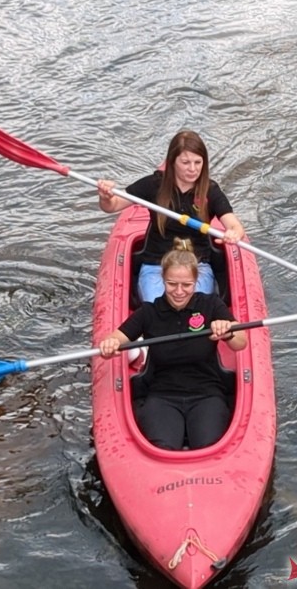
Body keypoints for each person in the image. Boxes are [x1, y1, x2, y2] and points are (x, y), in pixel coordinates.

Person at [97, 240, 248, 450]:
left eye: (186, 285)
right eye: (172, 284)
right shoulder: (148, 312)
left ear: (196, 281)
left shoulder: (210, 305)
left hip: (207, 394)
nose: (179, 291)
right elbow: (114, 339)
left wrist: (228, 331)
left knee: (208, 446)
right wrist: (110, 345)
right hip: (162, 396)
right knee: (163, 446)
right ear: (163, 280)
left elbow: (241, 343)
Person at [97, 129, 245, 301]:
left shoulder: (210, 191)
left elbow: (234, 225)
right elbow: (112, 206)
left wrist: (234, 233)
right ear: (172, 162)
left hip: (196, 266)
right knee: (158, 307)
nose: (192, 169)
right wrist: (105, 196)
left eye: (198, 162)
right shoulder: (153, 185)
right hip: (156, 265)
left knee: (195, 307)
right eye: (185, 162)